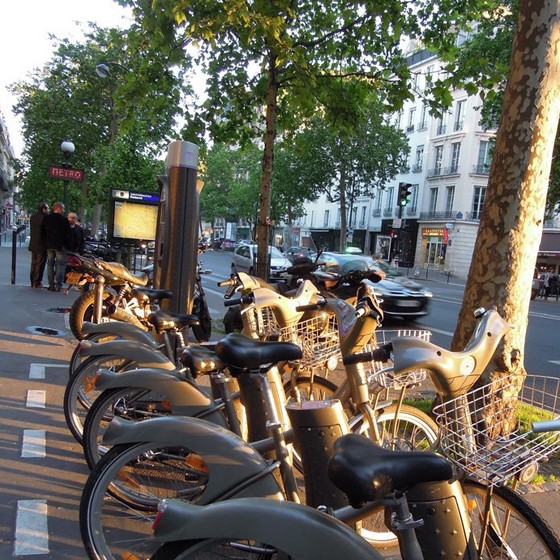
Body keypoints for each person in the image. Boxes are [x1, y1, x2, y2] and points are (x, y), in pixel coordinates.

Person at [42, 201, 72, 292]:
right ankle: (59, 284)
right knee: (60, 265)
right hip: (60, 245)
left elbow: (43, 231)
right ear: (59, 209)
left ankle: (51, 284)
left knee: (50, 264)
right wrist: (68, 245)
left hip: (49, 244)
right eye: (63, 208)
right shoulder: (64, 220)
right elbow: (67, 234)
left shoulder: (47, 218)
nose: (64, 210)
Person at [28, 202, 49, 288]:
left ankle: (32, 280)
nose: (48, 210)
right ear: (44, 209)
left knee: (34, 263)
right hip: (42, 244)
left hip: (33, 243)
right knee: (40, 263)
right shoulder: (46, 218)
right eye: (47, 209)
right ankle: (37, 281)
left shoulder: (33, 217)